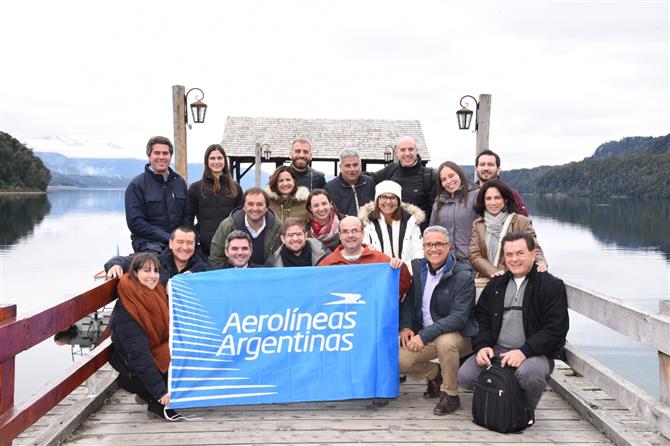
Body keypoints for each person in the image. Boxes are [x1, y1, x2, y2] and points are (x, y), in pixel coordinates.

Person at [458, 232, 569, 414]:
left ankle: (524, 413)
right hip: (497, 349)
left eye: (520, 253)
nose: (514, 259)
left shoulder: (551, 285)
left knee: (529, 375)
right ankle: (496, 401)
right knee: (465, 376)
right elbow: (482, 318)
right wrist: (482, 346)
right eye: (509, 255)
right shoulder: (496, 285)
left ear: (533, 254)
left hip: (535, 353)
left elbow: (556, 329)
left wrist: (524, 351)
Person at [399, 226, 478, 415]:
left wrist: (424, 335)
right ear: (423, 247)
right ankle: (436, 375)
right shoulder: (419, 268)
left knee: (445, 342)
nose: (433, 249)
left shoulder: (463, 275)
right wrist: (406, 326)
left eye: (439, 244)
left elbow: (458, 318)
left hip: (460, 335)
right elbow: (410, 301)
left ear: (449, 246)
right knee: (397, 361)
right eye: (429, 245)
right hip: (427, 335)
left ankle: (451, 395)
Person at [108, 253, 184, 421]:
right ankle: (155, 401)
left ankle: (147, 393)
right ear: (134, 272)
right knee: (169, 385)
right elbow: (139, 356)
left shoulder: (156, 292)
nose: (153, 276)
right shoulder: (128, 308)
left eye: (156, 271)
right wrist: (160, 392)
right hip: (130, 371)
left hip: (151, 356)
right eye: (146, 270)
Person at [319, 216, 411, 301]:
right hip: (340, 317)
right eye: (345, 231)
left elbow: (400, 288)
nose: (350, 235)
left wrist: (400, 267)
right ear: (340, 235)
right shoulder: (327, 264)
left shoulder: (380, 260)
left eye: (355, 230)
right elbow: (318, 293)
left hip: (372, 317)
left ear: (363, 233)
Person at [469, 180, 547, 279]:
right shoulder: (478, 225)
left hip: (516, 277)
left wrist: (541, 262)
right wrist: (494, 272)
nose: (493, 202)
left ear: (505, 199)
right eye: (488, 198)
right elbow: (474, 255)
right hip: (489, 278)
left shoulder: (522, 222)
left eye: (497, 198)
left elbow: (534, 247)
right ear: (484, 202)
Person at [125, 136, 191, 253]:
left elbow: (187, 216)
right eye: (157, 153)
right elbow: (135, 223)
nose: (161, 157)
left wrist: (181, 239)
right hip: (148, 244)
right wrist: (168, 238)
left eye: (165, 153)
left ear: (170, 157)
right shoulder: (136, 185)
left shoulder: (179, 182)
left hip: (178, 244)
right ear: (149, 157)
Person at [104, 226, 207, 286]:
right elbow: (126, 261)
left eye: (189, 243)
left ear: (194, 245)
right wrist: (115, 265)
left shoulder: (204, 266)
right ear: (171, 244)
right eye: (180, 242)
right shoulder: (156, 260)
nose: (185, 247)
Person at [188, 144, 243, 256]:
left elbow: (240, 218)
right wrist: (197, 239)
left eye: (219, 158)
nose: (216, 162)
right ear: (207, 161)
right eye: (212, 158)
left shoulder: (235, 188)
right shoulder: (196, 188)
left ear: (225, 161)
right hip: (204, 248)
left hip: (230, 246)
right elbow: (188, 219)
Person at [372, 136, 436, 230]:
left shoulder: (429, 175)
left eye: (411, 149)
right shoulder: (391, 170)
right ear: (397, 153)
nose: (407, 153)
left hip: (417, 235)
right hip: (391, 232)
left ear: (416, 151)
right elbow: (369, 178)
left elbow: (436, 209)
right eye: (402, 150)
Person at [208, 188, 281, 268]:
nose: (255, 208)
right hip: (234, 276)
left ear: (266, 208)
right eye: (250, 204)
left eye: (259, 204)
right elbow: (216, 259)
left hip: (267, 276)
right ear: (244, 207)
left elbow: (283, 258)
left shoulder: (278, 228)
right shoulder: (228, 226)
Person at [359, 180, 424, 267]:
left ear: (398, 202)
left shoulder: (410, 221)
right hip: (378, 273)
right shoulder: (367, 222)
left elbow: (418, 251)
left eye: (393, 197)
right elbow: (364, 250)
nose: (388, 202)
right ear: (377, 201)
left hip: (406, 273)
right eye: (383, 197)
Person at [430, 161, 479, 261]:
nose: (448, 181)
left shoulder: (476, 196)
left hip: (472, 260)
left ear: (459, 174)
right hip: (446, 262)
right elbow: (432, 232)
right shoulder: (438, 203)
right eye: (443, 179)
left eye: (451, 176)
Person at [475, 149, 528, 217]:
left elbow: (524, 223)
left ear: (498, 170)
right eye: (482, 164)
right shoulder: (467, 195)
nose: (486, 168)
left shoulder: (511, 194)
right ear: (476, 169)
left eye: (490, 164)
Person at [325, 148, 375, 216]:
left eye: (355, 165)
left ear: (360, 165)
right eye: (347, 166)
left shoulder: (370, 183)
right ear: (340, 167)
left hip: (369, 225)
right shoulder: (330, 188)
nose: (352, 169)